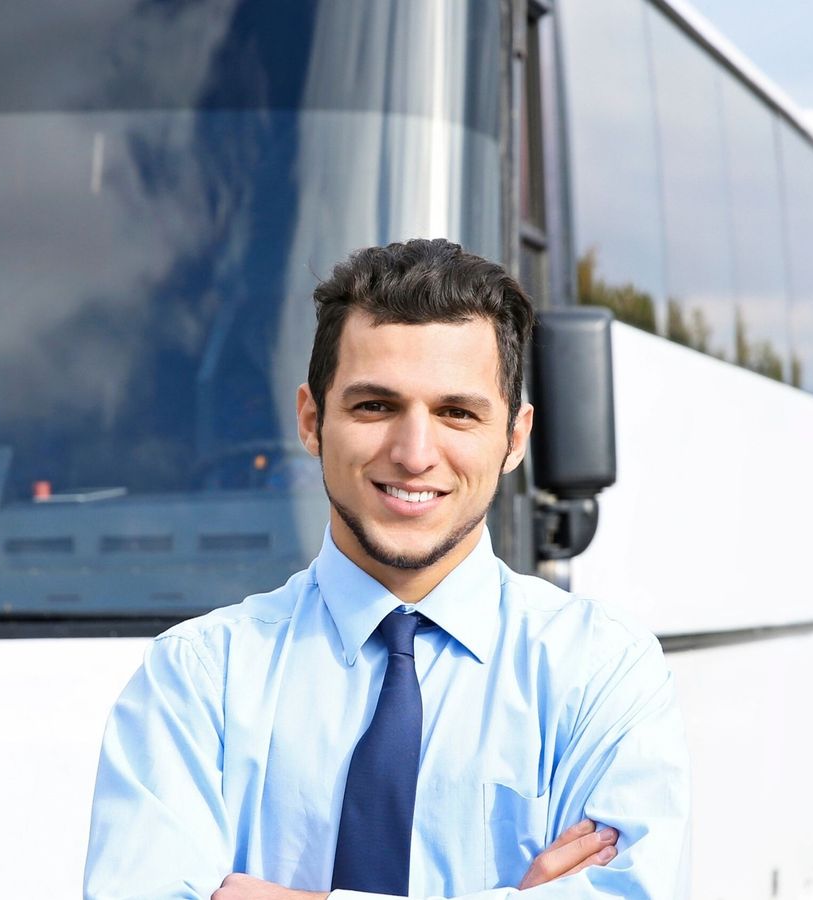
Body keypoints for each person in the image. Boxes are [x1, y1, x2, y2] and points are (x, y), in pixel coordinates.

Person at [84, 239, 690, 900]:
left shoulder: (600, 671)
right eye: (375, 406)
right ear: (312, 421)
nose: (414, 452)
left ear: (514, 439)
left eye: (456, 413)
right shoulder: (195, 679)